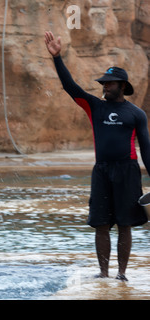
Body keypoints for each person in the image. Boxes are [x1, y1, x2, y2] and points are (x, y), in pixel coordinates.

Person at [44, 31, 150, 281]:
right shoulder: (95, 106)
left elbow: (146, 149)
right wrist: (57, 58)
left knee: (125, 225)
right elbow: (70, 87)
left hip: (128, 170)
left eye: (110, 83)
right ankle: (104, 273)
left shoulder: (136, 114)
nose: (105, 86)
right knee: (100, 223)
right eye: (103, 83)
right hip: (101, 170)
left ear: (122, 86)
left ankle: (121, 274)